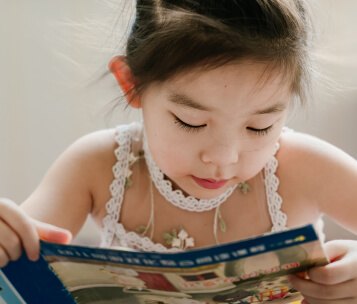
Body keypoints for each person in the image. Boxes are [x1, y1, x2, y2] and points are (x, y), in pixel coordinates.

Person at [1, 0, 357, 303]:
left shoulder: (304, 167)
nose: (223, 158)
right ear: (131, 84)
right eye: (191, 122)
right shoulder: (99, 165)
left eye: (259, 127)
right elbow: (18, 263)